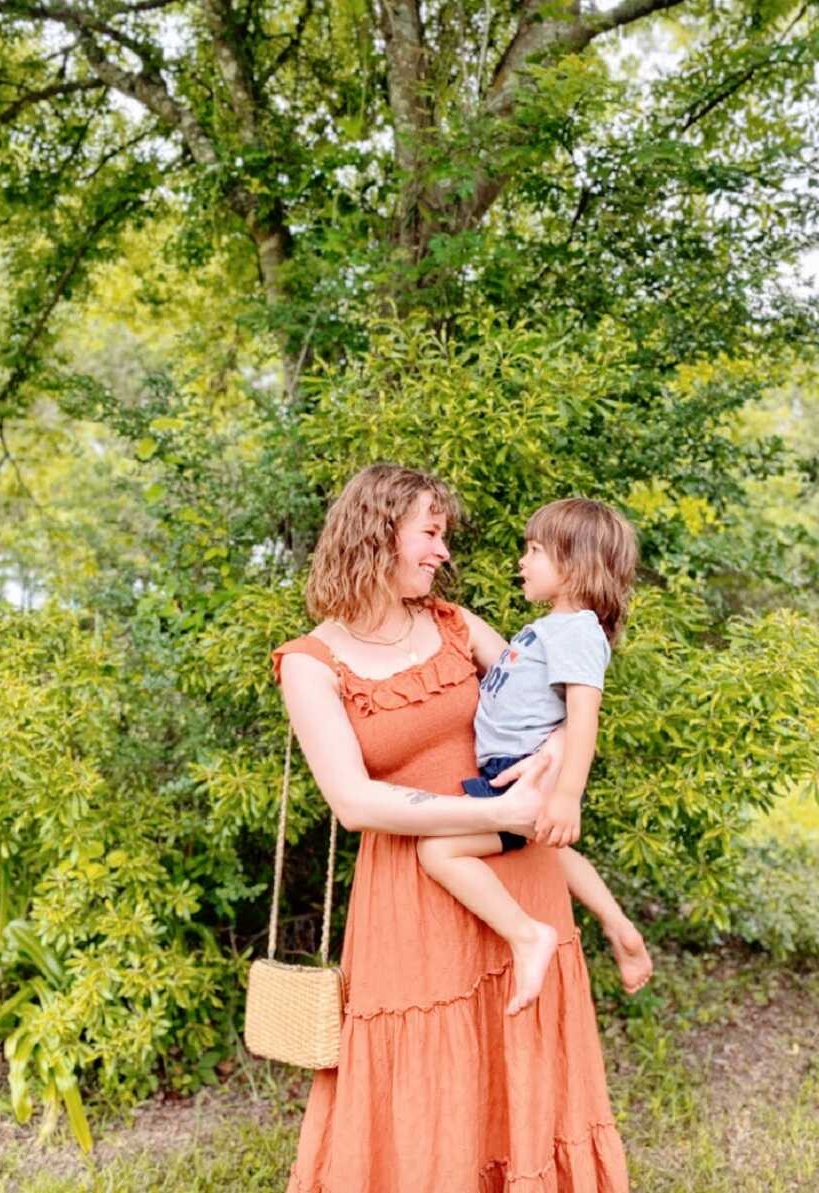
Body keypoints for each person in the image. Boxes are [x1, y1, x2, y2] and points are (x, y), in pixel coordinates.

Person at [273, 464, 629, 1193]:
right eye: (430, 534)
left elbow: (557, 704)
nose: (442, 552)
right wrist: (494, 812)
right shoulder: (310, 664)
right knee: (427, 1077)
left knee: (517, 1065)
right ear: (377, 533)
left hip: (514, 877)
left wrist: (557, 757)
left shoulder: (455, 624)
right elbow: (354, 802)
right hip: (412, 898)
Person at [417, 498, 652, 1015]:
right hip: (516, 769)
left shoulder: (576, 631)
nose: (522, 561)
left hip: (522, 776)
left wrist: (566, 797)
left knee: (438, 851)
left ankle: (526, 935)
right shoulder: (550, 627)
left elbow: (584, 715)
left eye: (535, 551)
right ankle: (619, 926)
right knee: (553, 852)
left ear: (574, 566)